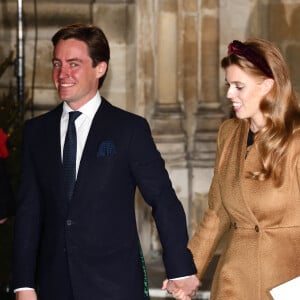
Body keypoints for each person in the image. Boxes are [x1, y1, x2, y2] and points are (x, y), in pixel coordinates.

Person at [12, 23, 199, 300]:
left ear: (100, 68)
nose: (62, 73)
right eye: (57, 63)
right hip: (55, 286)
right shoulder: (36, 131)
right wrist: (23, 284)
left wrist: (180, 268)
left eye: (74, 64)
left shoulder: (129, 130)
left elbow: (162, 198)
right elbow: (29, 211)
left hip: (115, 286)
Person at [187, 38, 300, 300]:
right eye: (229, 85)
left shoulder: (296, 139)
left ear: (267, 85)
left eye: (239, 86)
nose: (229, 94)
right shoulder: (229, 134)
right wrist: (187, 271)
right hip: (234, 283)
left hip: (288, 284)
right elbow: (217, 213)